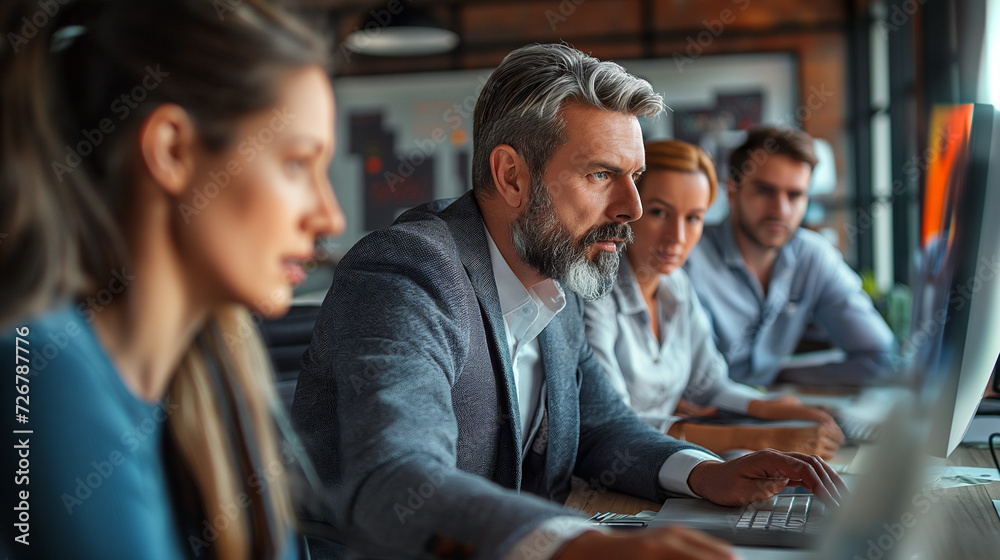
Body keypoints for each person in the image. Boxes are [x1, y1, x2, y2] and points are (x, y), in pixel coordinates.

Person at [291, 44, 844, 560]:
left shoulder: (561, 268)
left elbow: (601, 427)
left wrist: (706, 472)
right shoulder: (406, 272)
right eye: (602, 174)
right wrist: (578, 544)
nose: (631, 206)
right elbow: (399, 477)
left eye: (634, 178)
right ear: (512, 177)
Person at [0, 1, 344, 558]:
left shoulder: (219, 386)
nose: (330, 218)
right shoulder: (38, 371)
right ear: (172, 150)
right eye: (297, 164)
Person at [584, 140, 844, 459]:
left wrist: (772, 409)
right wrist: (763, 437)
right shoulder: (593, 295)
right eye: (658, 212)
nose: (676, 237)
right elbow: (614, 426)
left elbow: (710, 386)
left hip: (669, 460)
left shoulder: (675, 285)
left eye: (693, 218)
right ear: (629, 209)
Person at [685, 127, 896, 387]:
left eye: (795, 195)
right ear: (732, 191)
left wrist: (782, 378)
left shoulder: (813, 257)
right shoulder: (687, 259)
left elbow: (879, 356)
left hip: (773, 411)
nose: (781, 210)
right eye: (764, 191)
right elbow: (687, 384)